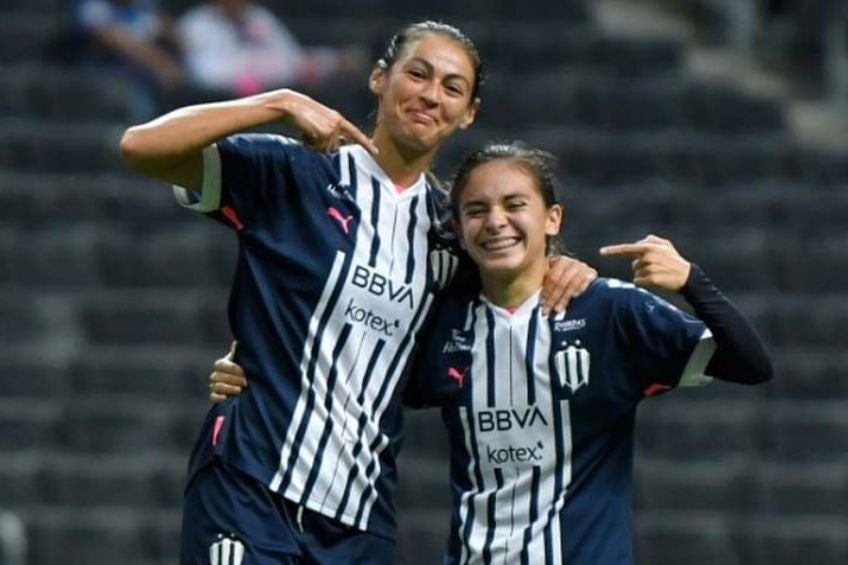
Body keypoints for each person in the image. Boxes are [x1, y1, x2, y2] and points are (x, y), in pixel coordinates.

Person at [119, 21, 595, 565]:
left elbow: (512, 294)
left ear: (468, 113)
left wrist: (570, 271)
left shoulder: (453, 236)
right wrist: (275, 102)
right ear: (379, 79)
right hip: (247, 485)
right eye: (417, 74)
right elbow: (141, 146)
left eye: (451, 87)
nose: (430, 95)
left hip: (359, 519)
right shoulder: (294, 173)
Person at [212, 141, 773, 564]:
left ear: (552, 218)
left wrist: (691, 281)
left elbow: (750, 365)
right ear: (457, 228)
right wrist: (248, 366)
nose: (497, 221)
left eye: (515, 204)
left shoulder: (610, 312)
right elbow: (352, 375)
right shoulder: (444, 325)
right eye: (477, 210)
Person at [177, 0, 367, 97]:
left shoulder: (258, 16)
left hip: (279, 89)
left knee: (350, 63)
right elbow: (206, 74)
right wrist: (253, 72)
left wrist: (331, 61)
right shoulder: (197, 23)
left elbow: (291, 58)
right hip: (224, 101)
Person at [74, 0, 183, 120]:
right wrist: (162, 64)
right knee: (140, 105)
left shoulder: (143, 5)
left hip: (145, 72)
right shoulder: (94, 7)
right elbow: (119, 41)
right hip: (104, 72)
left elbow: (173, 34)